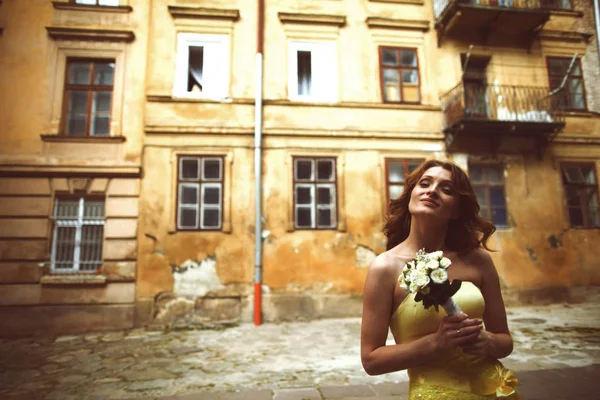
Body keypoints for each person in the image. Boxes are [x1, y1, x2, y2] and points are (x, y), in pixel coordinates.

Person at [360, 159, 521, 399]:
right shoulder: (385, 267)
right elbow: (371, 361)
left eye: (447, 189)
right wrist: (436, 344)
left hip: (493, 390)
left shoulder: (478, 261)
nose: (432, 190)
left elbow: (505, 341)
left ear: (457, 209)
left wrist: (487, 342)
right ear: (411, 195)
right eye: (425, 183)